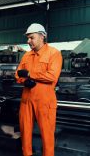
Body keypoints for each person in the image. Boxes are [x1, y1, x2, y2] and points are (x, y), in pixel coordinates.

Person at [15, 23, 62, 156]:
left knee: (47, 135)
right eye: (28, 38)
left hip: (45, 101)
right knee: (25, 132)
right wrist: (25, 80)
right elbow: (18, 74)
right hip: (27, 100)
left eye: (31, 38)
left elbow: (52, 76)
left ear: (42, 36)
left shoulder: (54, 53)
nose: (28, 41)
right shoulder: (26, 56)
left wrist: (30, 75)